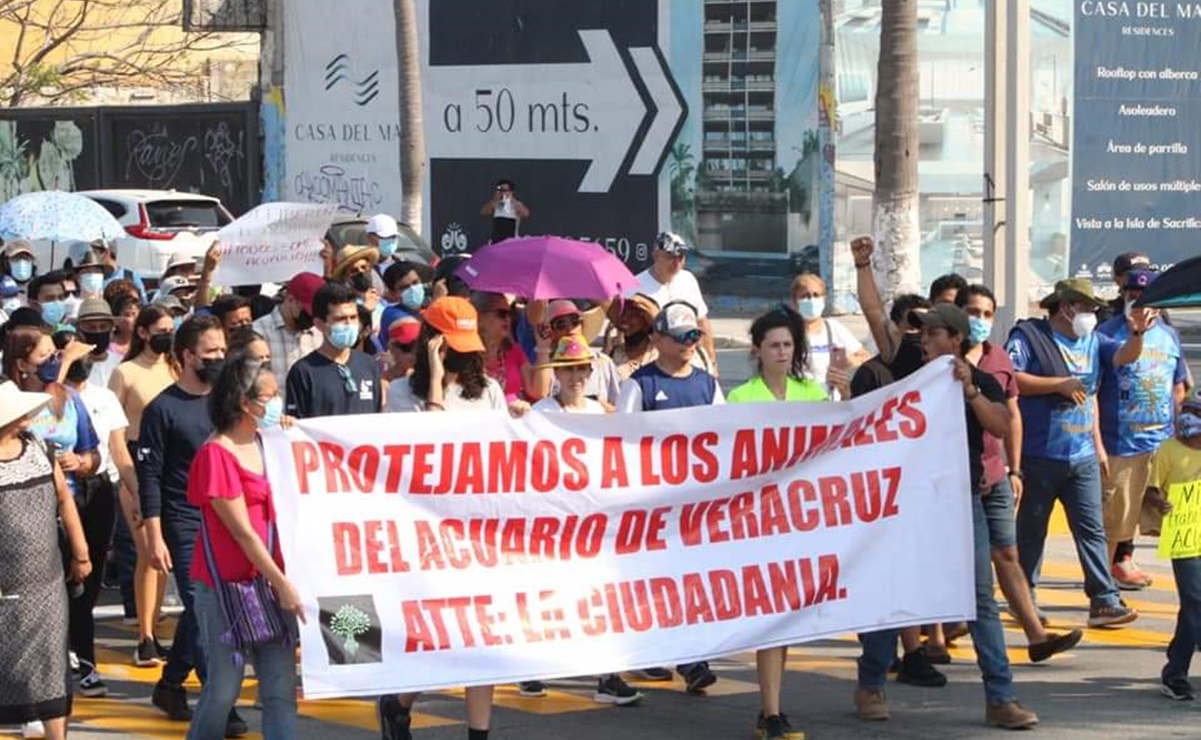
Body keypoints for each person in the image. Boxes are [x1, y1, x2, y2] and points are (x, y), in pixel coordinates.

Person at [856, 304, 1039, 730]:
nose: (924, 340)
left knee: (979, 601)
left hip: (960, 504)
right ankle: (870, 683)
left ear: (955, 339)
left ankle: (1001, 697)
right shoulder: (910, 368)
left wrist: (970, 389)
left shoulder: (982, 381)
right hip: (910, 503)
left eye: (933, 333)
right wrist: (863, 266)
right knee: (898, 594)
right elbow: (874, 314)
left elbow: (999, 425)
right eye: (921, 333)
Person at [379, 295, 502, 740]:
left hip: (479, 534)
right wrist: (432, 383)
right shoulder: (400, 395)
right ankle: (398, 702)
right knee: (435, 635)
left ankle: (478, 735)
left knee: (482, 641)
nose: (463, 354)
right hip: (427, 536)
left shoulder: (488, 392)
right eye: (451, 345)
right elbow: (423, 453)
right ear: (434, 342)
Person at [940, 285, 1082, 663]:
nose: (981, 321)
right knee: (963, 565)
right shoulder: (938, 364)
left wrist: (1014, 469)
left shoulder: (998, 357)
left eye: (987, 314)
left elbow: (1011, 416)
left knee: (1007, 553)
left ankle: (1036, 634)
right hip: (955, 481)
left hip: (996, 473)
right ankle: (942, 630)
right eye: (973, 312)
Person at [1006, 278, 1147, 628]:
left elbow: (1122, 357)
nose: (1091, 315)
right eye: (1086, 308)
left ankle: (1104, 600)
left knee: (1092, 530)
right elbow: (1012, 378)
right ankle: (1025, 599)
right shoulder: (1030, 338)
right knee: (1031, 531)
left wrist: (1137, 335)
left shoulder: (1094, 341)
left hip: (1081, 454)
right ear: (1066, 307)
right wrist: (1059, 384)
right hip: (1039, 454)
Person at [185, 351, 305, 740]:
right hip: (226, 589)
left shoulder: (270, 443)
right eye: (269, 398)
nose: (276, 404)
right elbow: (243, 533)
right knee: (223, 690)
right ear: (244, 402)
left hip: (270, 583)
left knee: (280, 691)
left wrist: (294, 434)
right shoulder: (216, 455)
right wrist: (282, 583)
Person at [138, 315, 244, 736]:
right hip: (183, 521)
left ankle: (169, 683)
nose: (219, 358)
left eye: (223, 350)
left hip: (226, 519)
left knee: (203, 611)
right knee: (206, 609)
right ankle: (220, 698)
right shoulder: (161, 409)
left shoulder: (228, 400)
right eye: (210, 352)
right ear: (187, 356)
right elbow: (150, 476)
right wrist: (153, 533)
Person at [726, 307, 827, 739]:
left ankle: (771, 708)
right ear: (758, 351)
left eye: (788, 344)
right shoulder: (740, 399)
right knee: (772, 616)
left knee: (784, 620)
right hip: (758, 521)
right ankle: (771, 713)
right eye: (774, 345)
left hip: (801, 521)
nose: (783, 352)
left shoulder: (813, 393)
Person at [616, 300, 722, 692]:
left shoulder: (707, 384)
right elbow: (620, 443)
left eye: (694, 335)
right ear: (657, 339)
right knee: (656, 582)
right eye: (680, 337)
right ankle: (662, 653)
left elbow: (727, 437)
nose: (689, 343)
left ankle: (691, 657)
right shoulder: (639, 385)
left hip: (695, 504)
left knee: (691, 582)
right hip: (651, 503)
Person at [3, 326, 105, 698]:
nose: (56, 361)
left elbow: (95, 453)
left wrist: (81, 461)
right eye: (45, 356)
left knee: (81, 591)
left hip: (80, 503)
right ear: (20, 363)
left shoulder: (72, 398)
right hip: (27, 517)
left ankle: (85, 662)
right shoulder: (9, 406)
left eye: (57, 354)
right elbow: (36, 430)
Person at [0, 380, 91, 740]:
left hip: (47, 580)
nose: (24, 421)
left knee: (53, 666)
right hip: (5, 586)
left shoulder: (39, 447)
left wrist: (80, 551)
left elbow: (64, 500)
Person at [62, 330, 142, 698]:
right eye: (64, 352)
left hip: (97, 495)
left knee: (88, 579)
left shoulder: (104, 398)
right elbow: (45, 431)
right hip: (53, 498)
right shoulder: (39, 400)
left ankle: (82, 655)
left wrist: (138, 493)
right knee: (61, 580)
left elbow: (115, 452)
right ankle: (68, 657)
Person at [1098, 270, 1189, 589]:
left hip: (1162, 446)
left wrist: (1180, 435)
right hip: (1123, 445)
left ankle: (1191, 595)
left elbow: (1178, 386)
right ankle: (1104, 592)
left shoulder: (1169, 336)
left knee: (1180, 523)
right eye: (1131, 294)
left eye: (1145, 296)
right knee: (1115, 523)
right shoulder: (1106, 334)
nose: (1137, 301)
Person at [109, 304, 179, 665]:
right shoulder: (124, 373)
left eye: (172, 327)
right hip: (137, 466)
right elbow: (114, 433)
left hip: (173, 465)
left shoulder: (176, 368)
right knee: (147, 553)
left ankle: (154, 627)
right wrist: (130, 479)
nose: (168, 333)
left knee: (163, 556)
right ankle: (145, 637)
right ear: (143, 332)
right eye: (161, 328)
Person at [1148, 391, 1201, 701]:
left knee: (1193, 609)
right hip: (1185, 539)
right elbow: (1152, 490)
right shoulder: (1168, 451)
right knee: (1195, 603)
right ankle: (1176, 672)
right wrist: (1160, 503)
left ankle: (1176, 668)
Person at [286, 282, 382, 419]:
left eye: (353, 317)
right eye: (340, 319)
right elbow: (297, 428)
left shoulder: (369, 365)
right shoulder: (303, 372)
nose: (349, 324)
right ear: (319, 324)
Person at [629, 232, 719, 377]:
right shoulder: (634, 286)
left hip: (690, 356)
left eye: (681, 257)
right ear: (656, 256)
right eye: (670, 257)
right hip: (651, 361)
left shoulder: (688, 279)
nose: (677, 263)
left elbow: (702, 322)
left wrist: (712, 362)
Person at [790, 273, 869, 396]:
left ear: (824, 298)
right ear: (795, 301)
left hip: (831, 403)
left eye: (816, 295)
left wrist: (851, 360)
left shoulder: (833, 328)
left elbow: (865, 357)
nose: (811, 300)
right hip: (799, 403)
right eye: (805, 296)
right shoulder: (787, 332)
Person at [532, 300, 621, 409]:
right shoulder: (547, 363)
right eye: (561, 324)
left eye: (575, 321)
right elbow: (541, 395)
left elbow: (619, 406)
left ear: (582, 325)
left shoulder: (603, 362)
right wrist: (543, 347)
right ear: (550, 331)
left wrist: (598, 408)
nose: (569, 328)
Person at [251, 273, 324, 396]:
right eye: (308, 312)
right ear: (290, 300)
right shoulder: (258, 332)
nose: (312, 319)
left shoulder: (321, 332)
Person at [473, 292, 537, 410]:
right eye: (501, 314)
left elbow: (536, 391)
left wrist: (544, 347)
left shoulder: (514, 351)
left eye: (510, 313)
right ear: (479, 317)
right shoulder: (467, 354)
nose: (508, 319)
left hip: (513, 418)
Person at [75, 298, 123, 389]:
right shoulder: (72, 368)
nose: (98, 332)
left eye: (103, 327)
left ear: (112, 329)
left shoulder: (121, 363)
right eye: (90, 327)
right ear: (79, 330)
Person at [481, 178, 530, 244]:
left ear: (511, 191)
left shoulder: (516, 204)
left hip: (511, 241)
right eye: (500, 190)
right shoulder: (495, 203)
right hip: (496, 240)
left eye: (505, 190)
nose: (502, 192)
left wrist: (511, 199)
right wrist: (495, 199)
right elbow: (484, 211)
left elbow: (526, 214)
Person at [109, 293, 140, 358]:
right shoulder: (107, 343)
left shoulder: (144, 344)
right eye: (127, 315)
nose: (133, 319)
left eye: (134, 314)